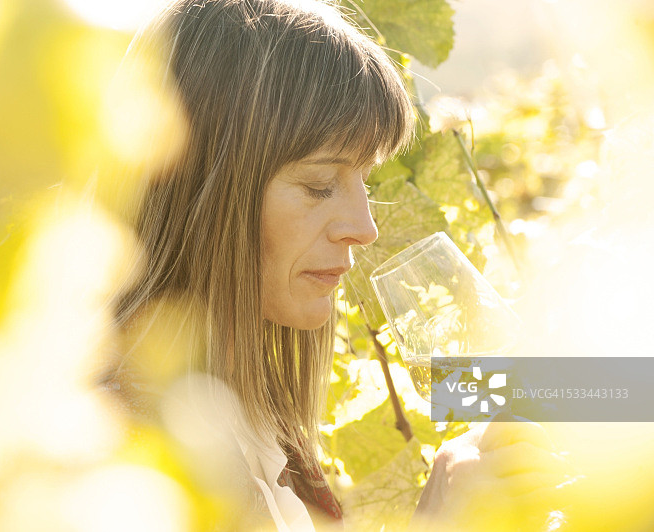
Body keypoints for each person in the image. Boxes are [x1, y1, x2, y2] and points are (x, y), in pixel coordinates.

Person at [105, 1, 573, 530]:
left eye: (365, 182)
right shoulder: (131, 455)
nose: (364, 226)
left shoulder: (247, 423)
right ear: (203, 187)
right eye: (319, 186)